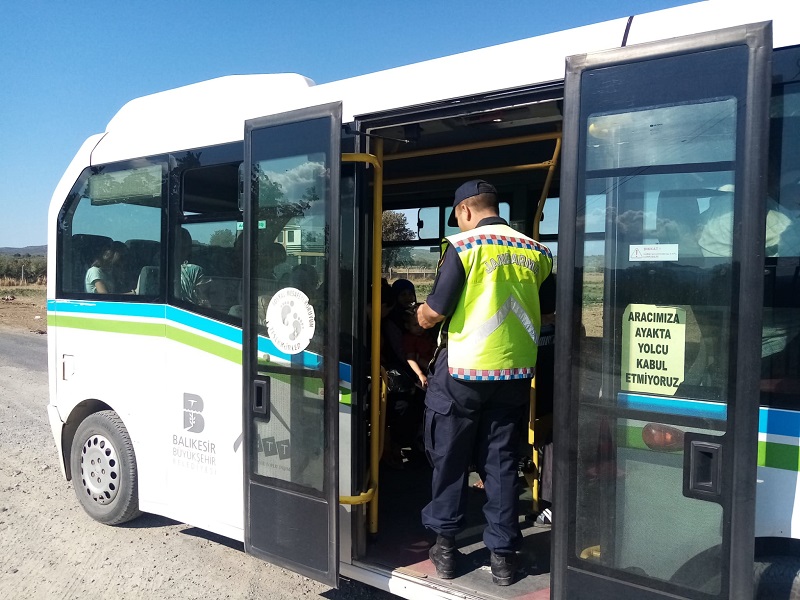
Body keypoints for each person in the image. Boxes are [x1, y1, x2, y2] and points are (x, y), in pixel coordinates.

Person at [416, 179, 553, 586]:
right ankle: (503, 558)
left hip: (462, 373)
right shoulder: (538, 252)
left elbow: (436, 311)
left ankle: (445, 550)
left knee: (450, 459)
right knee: (501, 463)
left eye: (458, 218)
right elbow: (548, 312)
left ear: (465, 211)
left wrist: (419, 315)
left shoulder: (464, 247)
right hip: (513, 374)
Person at [177, 228, 210, 305]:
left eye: (186, 248)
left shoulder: (195, 270)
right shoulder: (195, 271)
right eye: (181, 248)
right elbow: (203, 302)